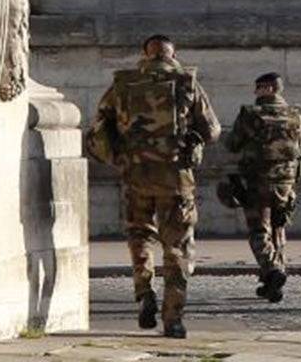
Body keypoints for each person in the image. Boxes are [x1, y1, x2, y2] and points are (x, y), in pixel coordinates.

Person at [87, 34, 220, 339]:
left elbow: (99, 126)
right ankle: (173, 318)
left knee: (140, 237)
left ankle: (144, 291)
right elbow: (212, 130)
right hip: (176, 181)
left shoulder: (123, 84)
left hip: (136, 177)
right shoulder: (187, 83)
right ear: (173, 54)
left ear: (145, 54)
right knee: (178, 248)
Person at [221, 71, 301, 303]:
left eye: (258, 87)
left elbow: (232, 144)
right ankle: (273, 284)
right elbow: (299, 147)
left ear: (269, 89)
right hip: (287, 181)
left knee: (259, 230)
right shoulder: (296, 113)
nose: (255, 92)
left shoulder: (250, 114)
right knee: (278, 228)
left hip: (258, 180)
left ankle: (271, 269)